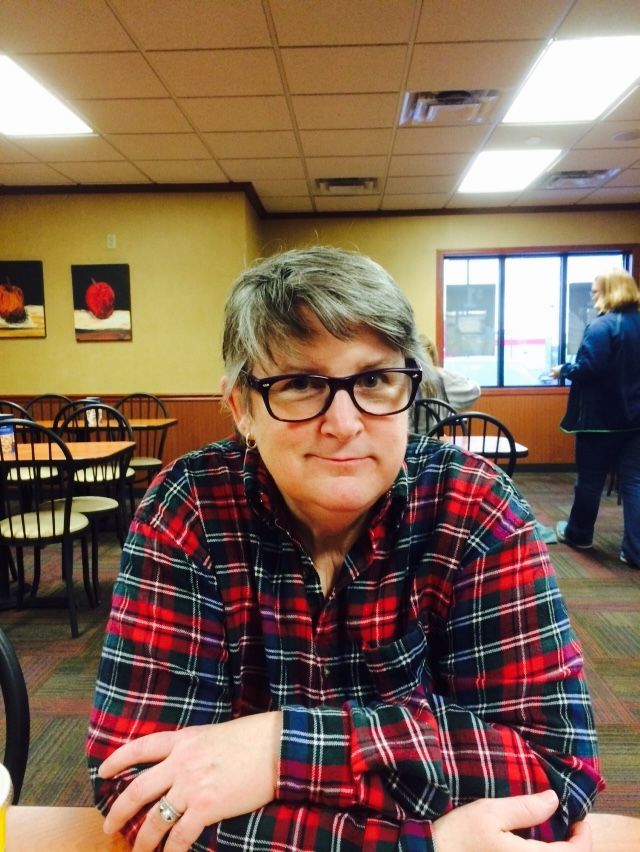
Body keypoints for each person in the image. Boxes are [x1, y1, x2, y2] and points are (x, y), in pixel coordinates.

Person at [87, 247, 603, 852]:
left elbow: (554, 772)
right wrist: (422, 844)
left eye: (375, 380)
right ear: (241, 408)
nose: (344, 423)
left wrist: (278, 750)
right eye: (302, 383)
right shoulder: (189, 509)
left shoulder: (474, 505)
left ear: (408, 390)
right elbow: (138, 791)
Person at [551, 269, 640, 566]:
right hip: (636, 421)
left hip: (600, 422)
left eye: (595, 291)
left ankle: (579, 533)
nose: (592, 296)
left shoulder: (601, 327)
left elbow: (589, 369)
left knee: (589, 482)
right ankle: (635, 550)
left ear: (610, 291)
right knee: (635, 484)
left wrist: (563, 370)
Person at [419, 335, 481, 411]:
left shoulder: (403, 377)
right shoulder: (442, 377)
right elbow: (474, 391)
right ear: (433, 356)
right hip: (438, 422)